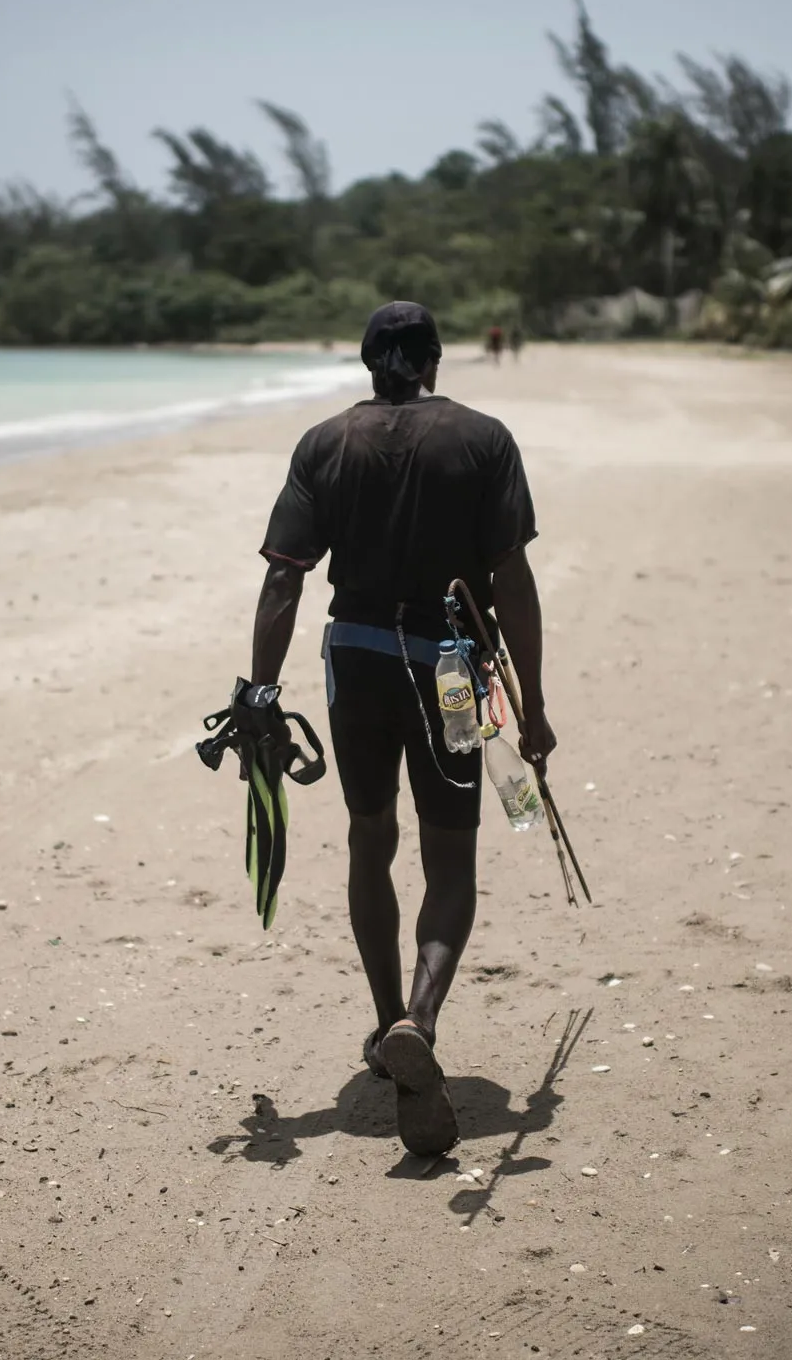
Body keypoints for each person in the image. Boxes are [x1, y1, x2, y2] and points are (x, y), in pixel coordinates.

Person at [246, 300, 555, 1157]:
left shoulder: (324, 443)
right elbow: (514, 581)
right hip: (450, 669)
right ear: (436, 361)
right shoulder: (483, 439)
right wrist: (534, 706)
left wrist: (260, 695)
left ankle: (388, 1022)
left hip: (357, 662)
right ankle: (418, 1018)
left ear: (366, 362)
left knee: (368, 838)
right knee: (450, 857)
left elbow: (284, 581)